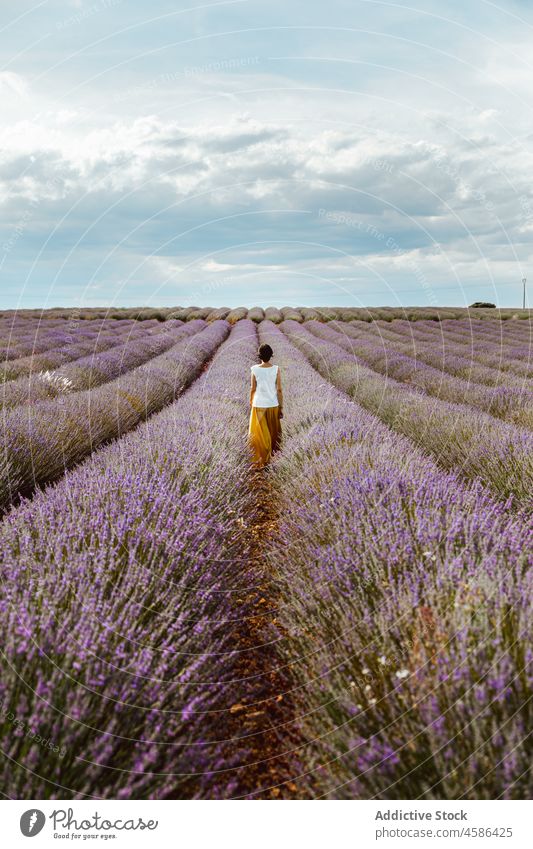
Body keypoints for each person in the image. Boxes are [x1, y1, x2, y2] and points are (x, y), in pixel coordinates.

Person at [248, 343, 283, 467]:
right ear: (271, 356)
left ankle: (261, 460)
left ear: (260, 356)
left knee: (259, 435)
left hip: (259, 405)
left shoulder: (254, 369)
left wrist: (251, 402)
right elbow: (279, 389)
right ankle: (272, 460)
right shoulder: (276, 369)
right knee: (273, 433)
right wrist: (281, 407)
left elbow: (253, 388)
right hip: (273, 404)